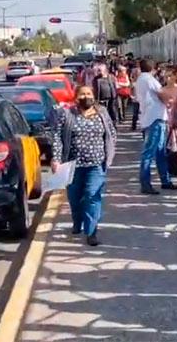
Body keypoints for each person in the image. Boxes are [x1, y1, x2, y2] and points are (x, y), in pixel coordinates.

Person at [51, 85, 117, 246]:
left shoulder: (102, 113)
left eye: (89, 93)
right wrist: (56, 159)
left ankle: (91, 231)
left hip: (96, 164)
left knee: (92, 195)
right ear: (76, 97)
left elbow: (111, 133)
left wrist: (109, 153)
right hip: (73, 165)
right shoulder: (67, 114)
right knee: (75, 198)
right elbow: (58, 137)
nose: (86, 96)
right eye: (82, 94)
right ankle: (77, 221)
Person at [135, 59, 177, 194]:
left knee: (160, 152)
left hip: (150, 117)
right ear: (153, 67)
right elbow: (162, 93)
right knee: (149, 152)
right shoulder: (150, 79)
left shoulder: (140, 80)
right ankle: (145, 183)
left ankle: (165, 180)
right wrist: (170, 100)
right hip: (156, 118)